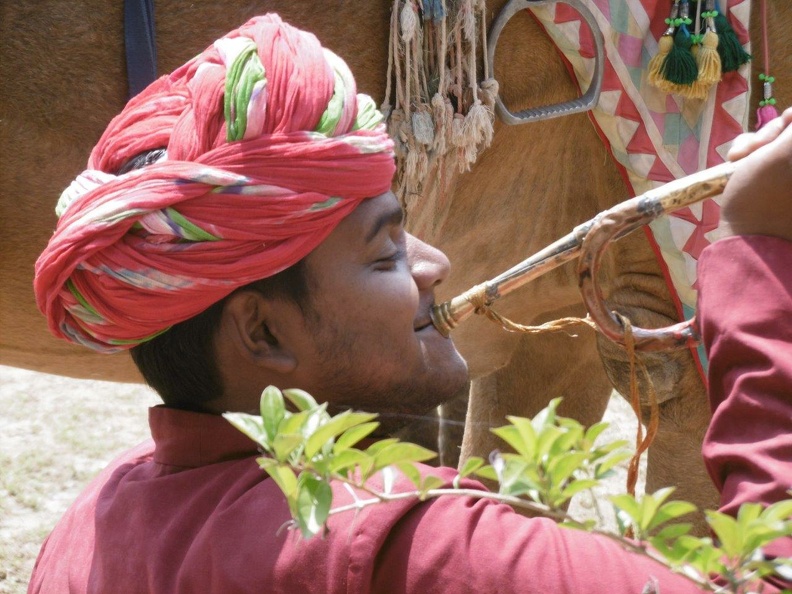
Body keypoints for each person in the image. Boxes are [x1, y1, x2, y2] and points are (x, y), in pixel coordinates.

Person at [28, 14, 791, 594]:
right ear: (260, 330)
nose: (437, 263)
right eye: (386, 250)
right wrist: (759, 258)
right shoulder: (425, 547)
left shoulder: (93, 526)